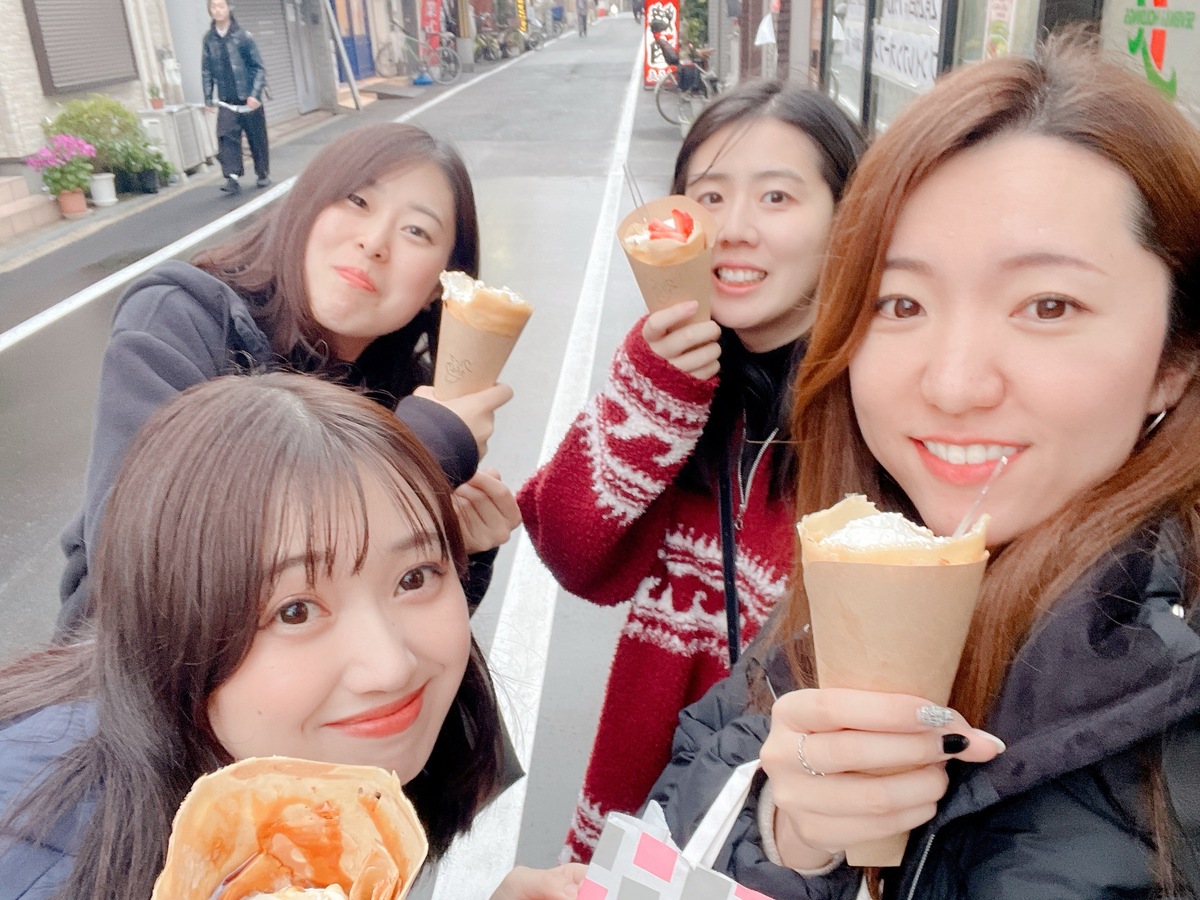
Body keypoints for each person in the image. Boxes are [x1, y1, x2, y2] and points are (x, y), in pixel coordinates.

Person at [647, 33, 1200, 898]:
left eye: (1048, 306)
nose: (952, 385)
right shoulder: (869, 565)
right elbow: (683, 797)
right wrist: (789, 836)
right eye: (900, 302)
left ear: (1175, 357)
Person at [0, 374, 583, 900]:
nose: (391, 668)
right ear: (169, 631)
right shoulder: (47, 860)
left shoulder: (308, 780)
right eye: (296, 611)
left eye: (414, 577)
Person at [518, 80, 866, 861]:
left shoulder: (878, 406)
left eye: (776, 197)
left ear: (848, 216)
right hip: (656, 812)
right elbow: (576, 555)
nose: (733, 229)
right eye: (709, 196)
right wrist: (651, 391)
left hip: (797, 837)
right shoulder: (677, 385)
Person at [58, 121, 518, 638]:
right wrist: (417, 454)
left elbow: (393, 643)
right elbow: (139, 560)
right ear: (307, 206)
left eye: (416, 231)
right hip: (138, 674)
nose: (374, 242)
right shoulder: (184, 321)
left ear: (441, 285)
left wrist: (459, 552)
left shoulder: (406, 393)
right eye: (357, 201)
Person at [202, 0, 270, 194]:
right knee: (226, 137)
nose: (217, 10)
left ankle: (262, 173)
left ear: (229, 9)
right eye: (213, 7)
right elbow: (206, 70)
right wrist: (208, 97)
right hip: (226, 99)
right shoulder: (209, 39)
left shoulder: (243, 36)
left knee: (256, 138)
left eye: (221, 6)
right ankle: (231, 177)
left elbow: (258, 68)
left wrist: (255, 94)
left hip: (248, 98)